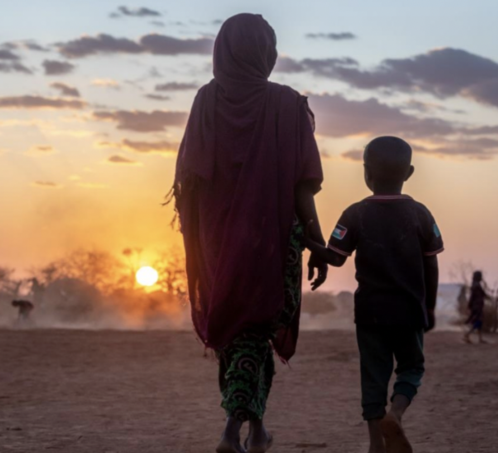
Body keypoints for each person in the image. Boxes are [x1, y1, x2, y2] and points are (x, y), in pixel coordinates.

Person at [170, 14, 325, 453]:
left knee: (240, 332)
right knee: (257, 330)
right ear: (267, 54)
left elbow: (189, 182)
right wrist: (316, 242)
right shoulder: (288, 104)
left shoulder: (205, 100)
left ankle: (256, 430)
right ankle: (231, 428)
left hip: (217, 242)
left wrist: (198, 243)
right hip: (275, 241)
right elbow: (302, 186)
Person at [305, 136, 443, 453]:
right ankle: (396, 413)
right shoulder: (420, 214)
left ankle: (374, 444)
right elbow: (431, 264)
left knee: (373, 375)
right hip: (409, 310)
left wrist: (305, 240)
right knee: (411, 368)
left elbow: (335, 256)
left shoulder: (355, 214)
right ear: (408, 173)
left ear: (366, 173)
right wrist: (429, 307)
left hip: (370, 312)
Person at [463, 271, 490, 344]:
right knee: (478, 321)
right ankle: (467, 334)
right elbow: (474, 296)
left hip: (477, 305)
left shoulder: (475, 285)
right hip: (477, 306)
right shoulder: (476, 286)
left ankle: (480, 339)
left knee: (479, 322)